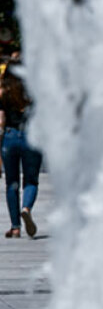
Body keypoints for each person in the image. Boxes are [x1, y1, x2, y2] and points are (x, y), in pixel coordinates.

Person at [1, 69, 42, 238]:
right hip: (32, 137)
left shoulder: (4, 95)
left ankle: (15, 227)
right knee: (31, 180)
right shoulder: (36, 92)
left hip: (10, 137)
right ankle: (26, 208)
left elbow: (1, 122)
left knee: (12, 183)